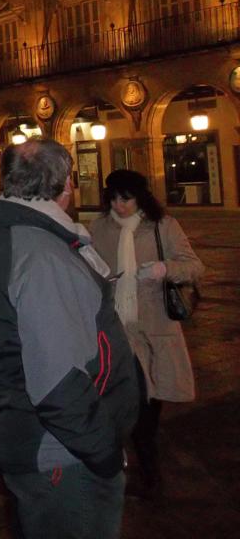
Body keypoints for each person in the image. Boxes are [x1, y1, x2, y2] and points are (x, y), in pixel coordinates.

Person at [0, 139, 140, 539]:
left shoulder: (0, 239)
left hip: (32, 436)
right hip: (63, 454)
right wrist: (104, 454)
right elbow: (58, 384)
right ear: (67, 186)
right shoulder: (42, 254)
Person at [89, 169, 203, 500]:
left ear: (140, 198)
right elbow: (89, 269)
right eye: (114, 199)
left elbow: (194, 266)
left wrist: (164, 269)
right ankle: (140, 476)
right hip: (117, 334)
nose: (119, 206)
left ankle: (149, 478)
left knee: (146, 412)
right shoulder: (99, 228)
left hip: (154, 332)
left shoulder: (162, 226)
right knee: (129, 407)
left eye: (126, 199)